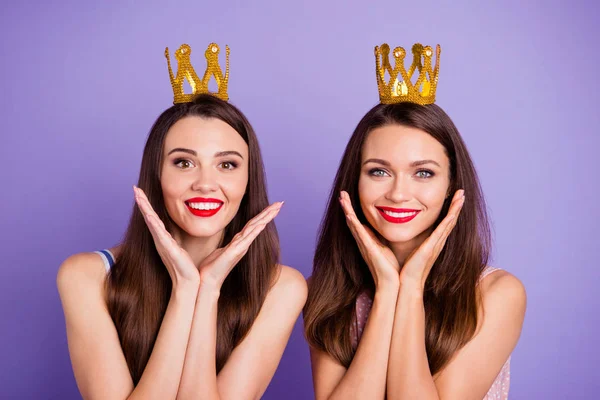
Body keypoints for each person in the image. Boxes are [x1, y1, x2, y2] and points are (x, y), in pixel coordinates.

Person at [57, 43, 307, 400]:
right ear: (155, 174)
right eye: (184, 162)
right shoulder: (86, 276)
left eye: (227, 164)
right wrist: (185, 290)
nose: (205, 183)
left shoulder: (281, 287)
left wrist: (208, 291)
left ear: (248, 180)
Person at [303, 43, 526, 399]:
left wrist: (410, 287)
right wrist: (388, 288)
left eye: (423, 173)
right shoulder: (326, 291)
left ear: (452, 185)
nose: (398, 193)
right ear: (353, 181)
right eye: (378, 171)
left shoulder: (495, 294)